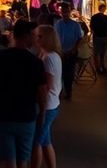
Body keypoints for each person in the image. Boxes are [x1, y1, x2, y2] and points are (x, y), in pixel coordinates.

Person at [0, 21, 48, 168]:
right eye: (33, 35)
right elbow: (42, 92)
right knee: (22, 160)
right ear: (26, 36)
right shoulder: (35, 62)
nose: (35, 39)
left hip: (3, 115)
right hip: (26, 117)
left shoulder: (1, 57)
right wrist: (42, 114)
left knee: (8, 160)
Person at [33, 25, 62, 168]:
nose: (37, 39)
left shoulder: (48, 58)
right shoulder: (50, 55)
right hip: (52, 103)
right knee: (45, 141)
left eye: (40, 36)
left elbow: (47, 85)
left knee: (37, 142)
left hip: (47, 105)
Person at [54, 3, 84, 100]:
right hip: (60, 53)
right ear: (61, 12)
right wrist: (58, 50)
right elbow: (55, 38)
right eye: (63, 12)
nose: (65, 14)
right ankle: (59, 91)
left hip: (71, 53)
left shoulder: (75, 25)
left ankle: (69, 92)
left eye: (66, 12)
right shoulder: (58, 24)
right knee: (59, 73)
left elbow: (80, 39)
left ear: (69, 12)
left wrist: (74, 49)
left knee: (69, 74)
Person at [89, 5, 107, 75]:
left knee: (100, 53)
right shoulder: (105, 18)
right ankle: (99, 67)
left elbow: (92, 27)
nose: (104, 9)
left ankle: (100, 67)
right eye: (103, 8)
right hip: (100, 37)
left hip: (101, 37)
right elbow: (92, 27)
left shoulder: (96, 17)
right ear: (101, 9)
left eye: (104, 8)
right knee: (99, 53)